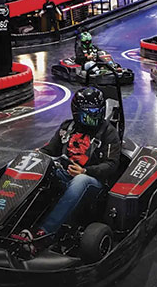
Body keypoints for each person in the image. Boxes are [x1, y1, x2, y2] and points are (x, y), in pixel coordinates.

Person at [21, 87, 122, 240]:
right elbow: (50, 150)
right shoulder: (67, 127)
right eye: (89, 112)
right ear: (77, 111)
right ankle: (7, 217)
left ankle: (44, 234)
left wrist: (85, 171)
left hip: (92, 181)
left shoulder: (108, 132)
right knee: (26, 164)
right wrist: (37, 155)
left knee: (80, 181)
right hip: (64, 172)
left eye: (96, 111)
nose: (93, 116)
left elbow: (111, 165)